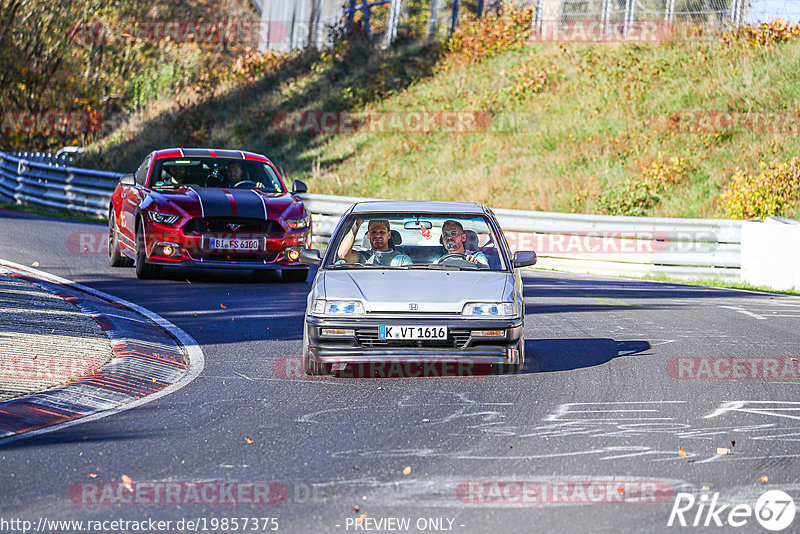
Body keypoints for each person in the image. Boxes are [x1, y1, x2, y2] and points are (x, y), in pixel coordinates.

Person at [337, 219, 412, 266]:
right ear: (368, 235)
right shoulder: (360, 257)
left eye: (382, 232)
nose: (377, 235)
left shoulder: (401, 260)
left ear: (389, 235)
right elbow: (343, 255)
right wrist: (357, 225)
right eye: (373, 232)